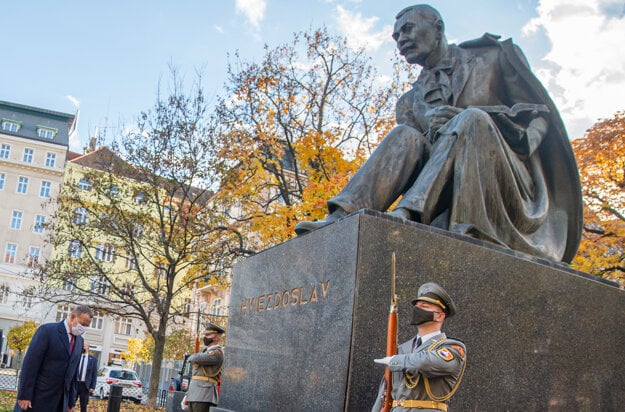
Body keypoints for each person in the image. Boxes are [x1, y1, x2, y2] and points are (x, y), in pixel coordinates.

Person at [295, 4, 582, 263]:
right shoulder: (409, 102)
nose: (401, 40)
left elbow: (537, 115)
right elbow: (418, 165)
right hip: (445, 195)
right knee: (403, 135)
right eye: (396, 37)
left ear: (438, 28)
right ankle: (343, 217)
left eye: (407, 29)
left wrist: (494, 126)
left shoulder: (491, 57)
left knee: (471, 119)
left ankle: (409, 215)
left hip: (504, 183)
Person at [372, 282, 466, 411]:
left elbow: (425, 362)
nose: (417, 309)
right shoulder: (401, 350)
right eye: (417, 306)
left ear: (439, 316)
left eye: (424, 306)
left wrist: (395, 360)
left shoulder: (452, 348)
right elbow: (384, 393)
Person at [15, 305, 93, 412]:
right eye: (82, 324)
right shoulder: (47, 331)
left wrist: (71, 402)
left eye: (86, 326)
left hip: (61, 403)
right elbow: (30, 365)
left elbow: (73, 374)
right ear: (72, 317)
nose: (83, 328)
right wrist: (24, 394)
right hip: (38, 398)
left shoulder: (79, 341)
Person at [184, 322, 225, 412]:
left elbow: (194, 358)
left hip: (204, 395)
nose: (205, 337)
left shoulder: (217, 353)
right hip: (194, 393)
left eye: (209, 334)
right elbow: (195, 377)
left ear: (217, 337)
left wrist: (192, 356)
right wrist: (187, 395)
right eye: (205, 334)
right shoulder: (205, 352)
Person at [75, 341, 98, 412]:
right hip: (75, 384)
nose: (82, 347)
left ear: (88, 347)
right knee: (71, 403)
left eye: (84, 346)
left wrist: (92, 386)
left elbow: (94, 374)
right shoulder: (77, 357)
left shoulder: (93, 360)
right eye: (82, 346)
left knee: (83, 405)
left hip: (85, 386)